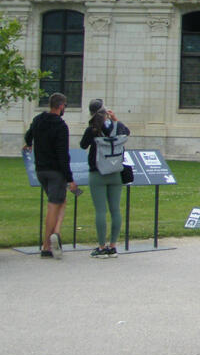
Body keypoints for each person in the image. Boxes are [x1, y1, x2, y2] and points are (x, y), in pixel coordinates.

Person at [24, 92, 76, 259]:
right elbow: (62, 154)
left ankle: (57, 232)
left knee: (61, 201)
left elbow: (28, 135)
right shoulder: (60, 126)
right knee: (53, 205)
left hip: (40, 170)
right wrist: (69, 178)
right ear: (60, 106)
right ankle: (46, 245)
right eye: (65, 106)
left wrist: (29, 144)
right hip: (55, 172)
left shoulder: (39, 120)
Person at [79, 99, 130, 258]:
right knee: (115, 210)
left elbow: (83, 145)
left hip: (98, 173)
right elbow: (126, 132)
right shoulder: (116, 128)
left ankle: (101, 247)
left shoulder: (92, 129)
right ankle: (113, 246)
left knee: (101, 210)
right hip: (115, 172)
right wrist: (115, 119)